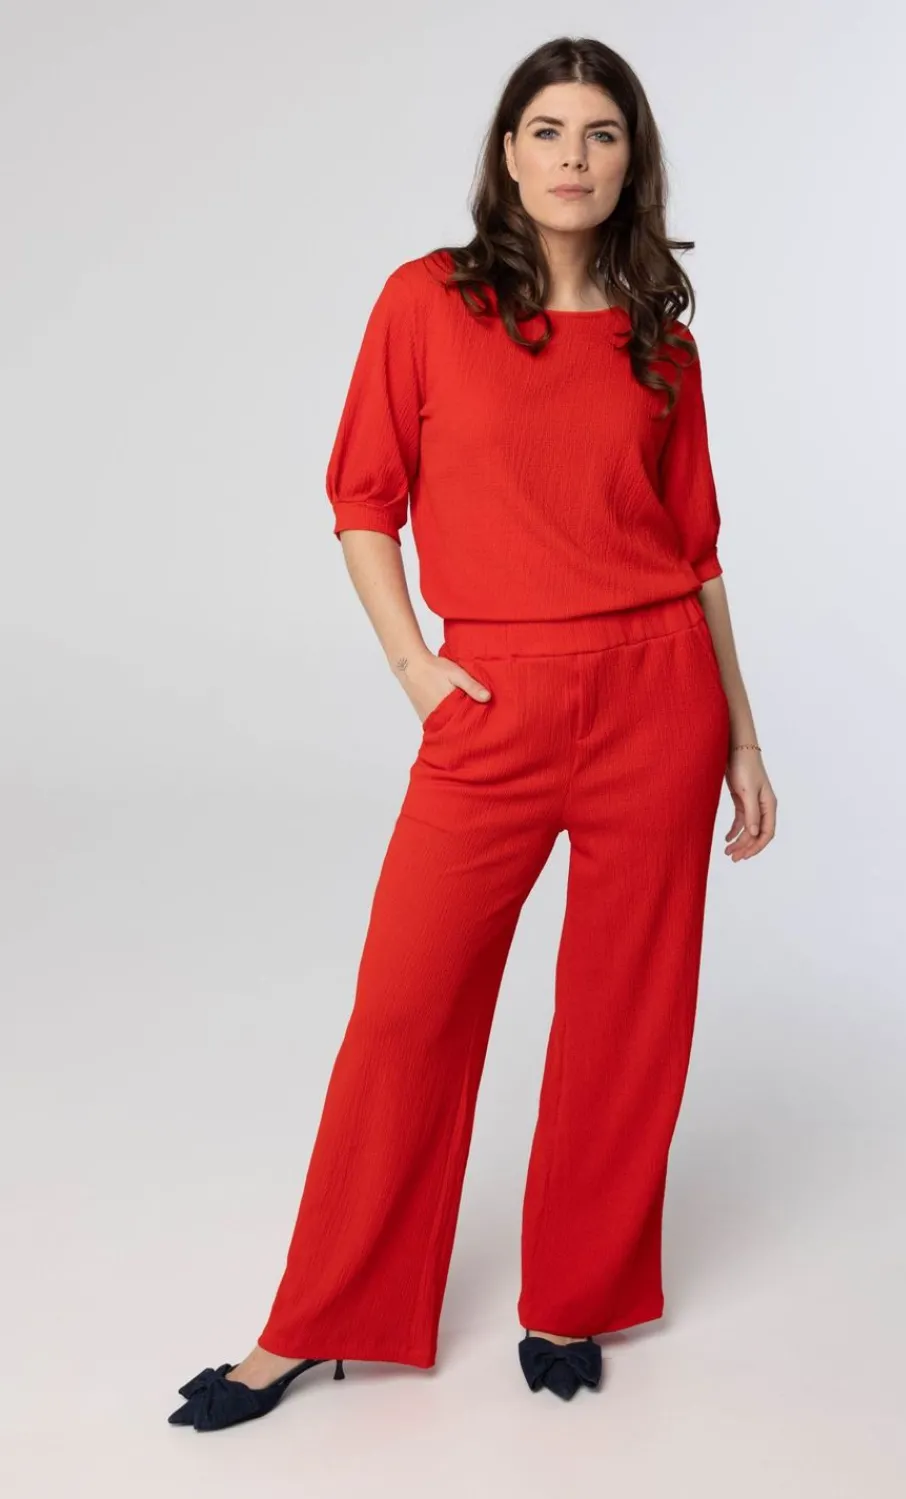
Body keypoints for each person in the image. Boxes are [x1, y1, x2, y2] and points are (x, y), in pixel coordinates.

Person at [168, 34, 776, 1431]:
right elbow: (363, 498)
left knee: (628, 1013)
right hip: (490, 697)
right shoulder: (428, 302)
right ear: (507, 152)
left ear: (631, 162)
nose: (574, 156)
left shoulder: (660, 339)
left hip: (659, 695)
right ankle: (320, 1318)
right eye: (548, 129)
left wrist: (743, 737)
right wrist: (421, 675)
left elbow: (697, 554)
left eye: (602, 133)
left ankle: (572, 1295)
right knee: (407, 1007)